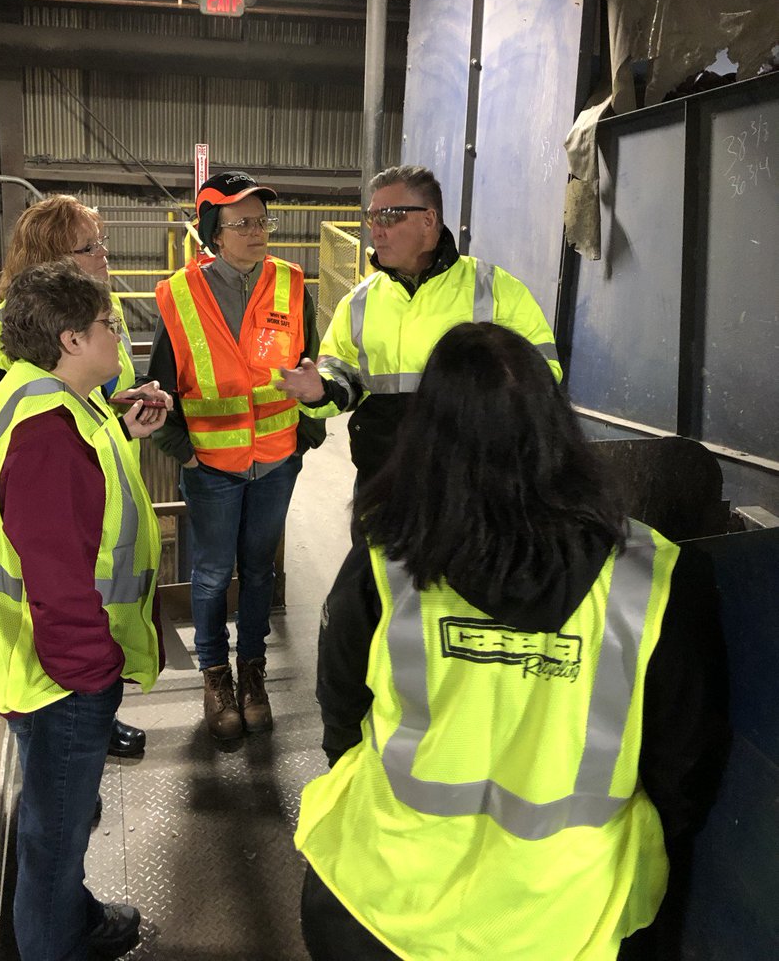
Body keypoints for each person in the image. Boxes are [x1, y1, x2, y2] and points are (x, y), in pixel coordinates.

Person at [294, 322, 730, 961]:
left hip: (382, 903)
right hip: (569, 919)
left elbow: (340, 712)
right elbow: (683, 765)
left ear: (425, 439)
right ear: (557, 430)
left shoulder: (386, 562)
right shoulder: (656, 578)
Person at [0, 261, 167, 961]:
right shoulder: (47, 431)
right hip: (62, 675)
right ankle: (57, 942)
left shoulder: (36, 394)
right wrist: (93, 674)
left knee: (57, 824)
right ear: (72, 340)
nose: (119, 336)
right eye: (109, 324)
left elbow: (70, 492)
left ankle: (73, 918)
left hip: (34, 659)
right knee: (56, 835)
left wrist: (120, 428)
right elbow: (57, 569)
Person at [0, 193, 169, 760]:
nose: (104, 255)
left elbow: (74, 411)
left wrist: (118, 416)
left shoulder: (79, 318)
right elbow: (43, 444)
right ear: (51, 258)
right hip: (37, 566)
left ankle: (90, 720)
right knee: (56, 695)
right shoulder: (12, 336)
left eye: (102, 243)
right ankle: (77, 727)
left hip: (76, 522)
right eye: (89, 246)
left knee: (80, 645)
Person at [147, 170, 325, 741]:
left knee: (258, 570)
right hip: (211, 466)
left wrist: (306, 434)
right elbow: (159, 389)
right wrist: (184, 452)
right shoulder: (178, 295)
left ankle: (252, 674)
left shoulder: (292, 284)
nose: (256, 232)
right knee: (209, 574)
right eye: (242, 223)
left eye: (262, 221)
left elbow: (313, 365)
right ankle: (215, 676)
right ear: (214, 234)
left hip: (275, 461)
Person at [278, 165, 562, 478]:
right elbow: (342, 373)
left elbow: (542, 374)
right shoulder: (359, 302)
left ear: (428, 220)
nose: (376, 231)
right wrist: (321, 388)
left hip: (473, 479)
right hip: (384, 477)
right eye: (372, 218)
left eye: (389, 217)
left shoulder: (496, 290)